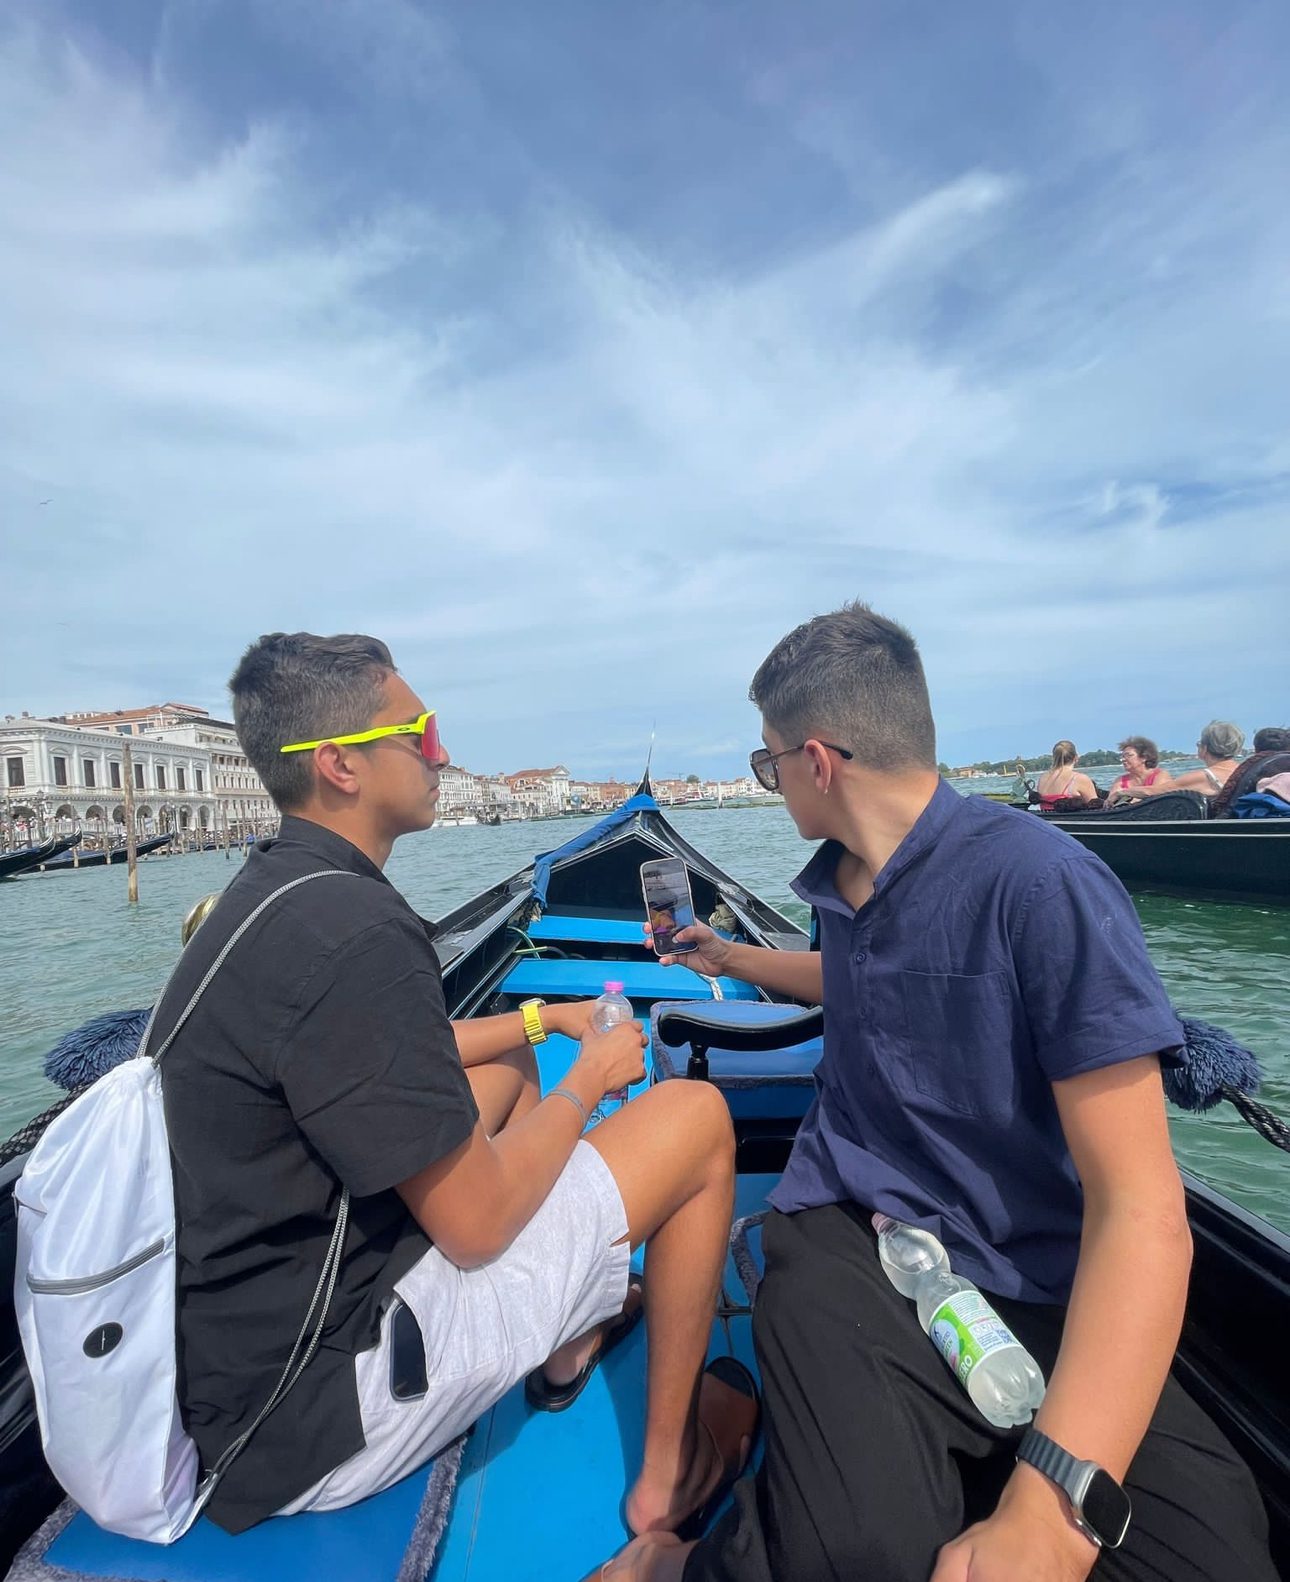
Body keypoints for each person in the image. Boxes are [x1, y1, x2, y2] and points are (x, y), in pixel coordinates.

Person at [595, 603, 1276, 1582]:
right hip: (850, 1229)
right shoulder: (846, 881)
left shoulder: (1042, 884)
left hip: (1029, 1267)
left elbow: (1142, 1207)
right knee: (856, 1552)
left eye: (768, 763)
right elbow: (857, 980)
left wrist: (1048, 1513)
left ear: (816, 762)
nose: (773, 783)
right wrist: (726, 955)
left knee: (1215, 1558)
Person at [159, 632, 757, 1538]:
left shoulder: (278, 895)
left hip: (248, 1360)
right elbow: (477, 1229)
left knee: (504, 1065)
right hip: (321, 1407)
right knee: (697, 1118)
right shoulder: (361, 931)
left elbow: (405, 1048)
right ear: (339, 766)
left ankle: (569, 1339)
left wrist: (543, 1021)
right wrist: (588, 1076)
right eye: (421, 735)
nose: (441, 756)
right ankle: (667, 1482)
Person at [1114, 722, 1244, 801]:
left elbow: (1153, 792)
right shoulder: (1242, 769)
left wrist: (1121, 792)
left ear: (1204, 748)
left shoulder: (1203, 776)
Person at [1104, 736, 1173, 806]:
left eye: (1128, 755)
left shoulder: (1160, 775)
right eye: (1123, 756)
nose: (1123, 759)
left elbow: (1156, 793)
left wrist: (1123, 793)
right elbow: (1109, 802)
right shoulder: (1120, 780)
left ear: (1144, 757)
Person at [1034, 742, 1099, 810]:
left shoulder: (1043, 778)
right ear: (1076, 757)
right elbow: (1096, 806)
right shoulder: (1080, 779)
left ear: (1054, 758)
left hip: (1046, 816)